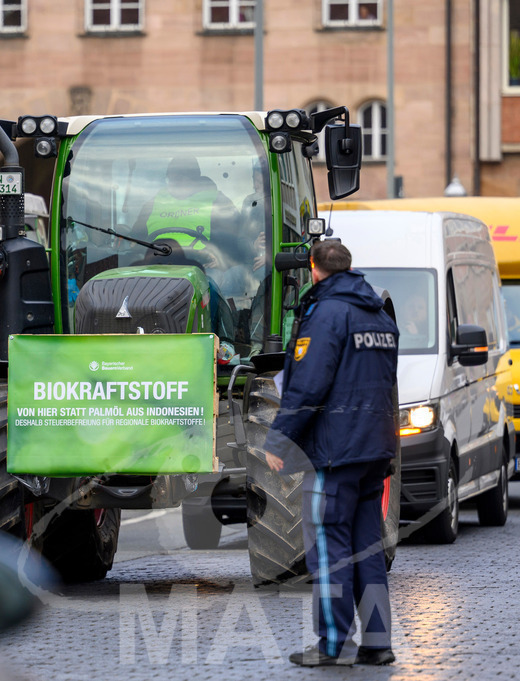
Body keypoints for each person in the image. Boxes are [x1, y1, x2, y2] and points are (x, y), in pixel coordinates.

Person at [262, 239, 399, 667]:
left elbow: (307, 384)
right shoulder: (379, 314)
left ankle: (332, 645)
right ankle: (377, 643)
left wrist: (279, 439)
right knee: (367, 549)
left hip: (336, 453)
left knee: (329, 547)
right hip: (374, 449)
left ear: (313, 268)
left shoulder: (327, 314)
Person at [134, 157, 238, 265]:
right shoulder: (154, 202)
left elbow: (232, 239)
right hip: (157, 263)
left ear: (195, 181)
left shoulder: (216, 201)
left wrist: (221, 258)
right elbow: (135, 236)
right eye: (172, 180)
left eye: (180, 179)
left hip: (202, 266)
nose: (175, 184)